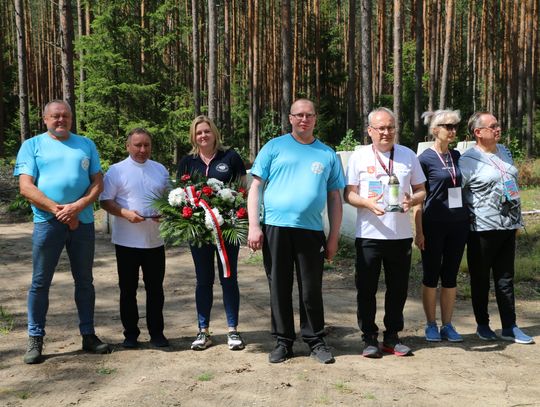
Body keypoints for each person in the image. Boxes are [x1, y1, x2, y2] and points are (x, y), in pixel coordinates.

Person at [248, 99, 345, 364]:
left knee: (311, 288)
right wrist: (254, 226)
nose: (304, 119)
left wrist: (334, 236)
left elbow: (335, 197)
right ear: (290, 118)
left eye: (309, 115)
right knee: (278, 285)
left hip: (311, 230)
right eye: (299, 115)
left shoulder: (327, 154)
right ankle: (283, 341)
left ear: (315, 119)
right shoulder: (274, 147)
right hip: (275, 228)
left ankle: (315, 340)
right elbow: (255, 187)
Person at [14, 99, 109, 364]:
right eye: (55, 116)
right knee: (40, 282)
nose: (61, 120)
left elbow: (97, 182)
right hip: (47, 223)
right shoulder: (31, 146)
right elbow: (26, 187)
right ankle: (35, 339)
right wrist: (61, 212)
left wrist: (77, 207)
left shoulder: (86, 144)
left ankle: (88, 335)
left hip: (83, 223)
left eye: (65, 116)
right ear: (45, 119)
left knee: (85, 281)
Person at [344, 107, 426, 358]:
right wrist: (368, 204)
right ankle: (369, 337)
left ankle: (392, 336)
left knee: (398, 289)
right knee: (366, 289)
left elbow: (422, 190)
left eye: (391, 127)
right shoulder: (359, 157)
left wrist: (411, 201)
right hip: (369, 234)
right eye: (381, 128)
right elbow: (349, 194)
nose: (386, 132)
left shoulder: (408, 155)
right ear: (370, 131)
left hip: (399, 235)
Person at [460, 112, 534, 344]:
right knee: (480, 278)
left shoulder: (505, 152)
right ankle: (483, 325)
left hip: (508, 225)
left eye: (498, 125)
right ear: (478, 132)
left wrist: (517, 220)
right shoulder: (467, 160)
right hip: (481, 228)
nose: (498, 129)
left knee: (505, 278)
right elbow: (458, 193)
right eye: (492, 126)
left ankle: (510, 326)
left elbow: (511, 185)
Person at [177, 115, 247, 351]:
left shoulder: (231, 157)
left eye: (207, 131)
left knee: (229, 277)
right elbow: (182, 197)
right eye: (199, 133)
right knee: (203, 280)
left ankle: (233, 330)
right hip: (199, 232)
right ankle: (203, 331)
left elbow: (243, 191)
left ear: (214, 132)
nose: (203, 135)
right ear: (193, 136)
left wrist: (235, 216)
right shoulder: (188, 161)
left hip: (225, 230)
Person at [100, 128, 170, 348]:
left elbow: (170, 200)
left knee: (156, 289)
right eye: (137, 145)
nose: (142, 150)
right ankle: (130, 334)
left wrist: (167, 213)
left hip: (154, 240)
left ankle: (157, 333)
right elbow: (105, 200)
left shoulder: (160, 169)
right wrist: (125, 213)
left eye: (146, 145)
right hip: (126, 241)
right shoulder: (116, 171)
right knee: (128, 290)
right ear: (128, 146)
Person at [414, 109, 468, 343]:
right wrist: (419, 231)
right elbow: (417, 199)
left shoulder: (457, 156)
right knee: (430, 275)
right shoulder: (424, 159)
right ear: (435, 130)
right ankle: (431, 324)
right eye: (448, 126)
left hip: (458, 224)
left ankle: (447, 324)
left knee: (450, 276)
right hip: (433, 225)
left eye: (455, 126)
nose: (453, 130)